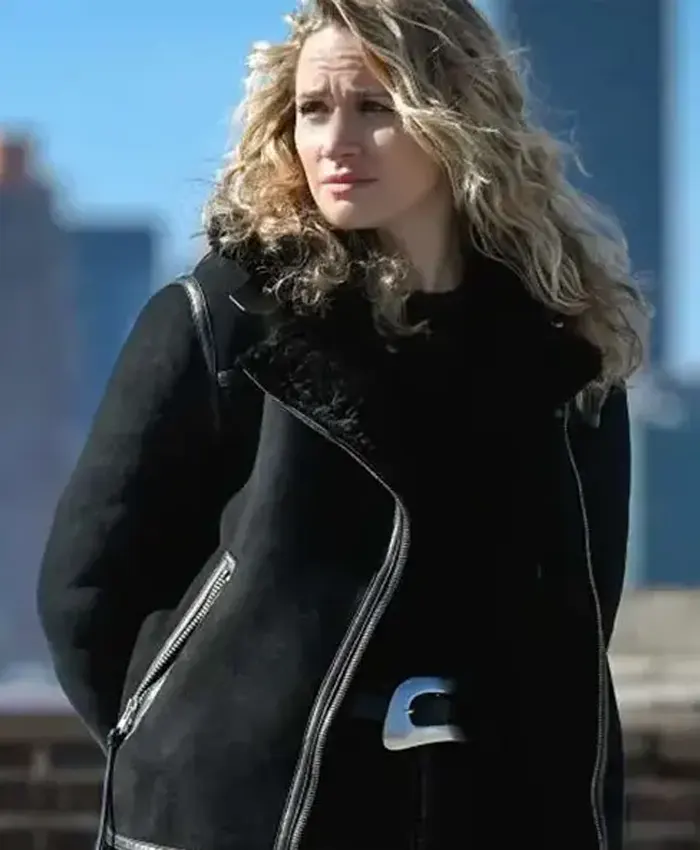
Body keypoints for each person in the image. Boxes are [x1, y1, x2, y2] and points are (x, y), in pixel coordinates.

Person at [37, 1, 648, 848]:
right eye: (313, 109)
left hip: (491, 812)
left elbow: (581, 606)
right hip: (250, 820)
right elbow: (85, 590)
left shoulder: (562, 350)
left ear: (456, 117)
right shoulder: (226, 317)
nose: (334, 141)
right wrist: (192, 756)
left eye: (374, 107)